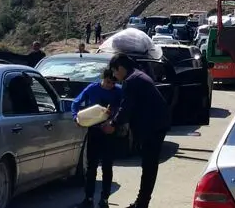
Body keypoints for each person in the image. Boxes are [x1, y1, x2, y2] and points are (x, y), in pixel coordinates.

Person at [102, 53, 170, 208]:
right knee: (149, 165)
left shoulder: (132, 81)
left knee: (149, 166)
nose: (114, 76)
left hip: (153, 127)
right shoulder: (138, 76)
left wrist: (113, 124)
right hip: (156, 124)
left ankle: (142, 203)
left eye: (114, 71)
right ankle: (142, 202)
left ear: (120, 68)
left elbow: (126, 107)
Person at [72, 69, 123, 208]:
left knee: (107, 166)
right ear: (103, 78)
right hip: (94, 131)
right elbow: (76, 103)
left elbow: (125, 108)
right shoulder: (92, 88)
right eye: (108, 82)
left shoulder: (119, 91)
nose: (110, 85)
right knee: (91, 167)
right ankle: (88, 199)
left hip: (109, 132)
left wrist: (114, 122)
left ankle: (104, 200)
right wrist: (76, 118)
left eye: (113, 83)